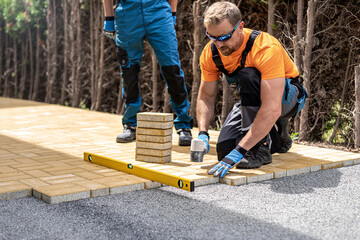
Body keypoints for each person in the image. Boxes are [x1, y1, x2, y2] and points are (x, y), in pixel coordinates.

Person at [196, 2, 308, 177]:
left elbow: (272, 108)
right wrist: (203, 133)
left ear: (240, 27)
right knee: (225, 152)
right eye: (212, 37)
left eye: (224, 38)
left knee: (248, 75)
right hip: (256, 101)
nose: (218, 44)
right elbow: (206, 96)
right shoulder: (211, 53)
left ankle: (261, 147)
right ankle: (277, 137)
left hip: (286, 99)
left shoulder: (265, 48)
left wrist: (241, 149)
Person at [102, 0, 193, 146]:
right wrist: (109, 18)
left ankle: (183, 124)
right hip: (128, 15)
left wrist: (173, 13)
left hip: (159, 12)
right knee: (129, 72)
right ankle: (131, 124)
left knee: (172, 69)